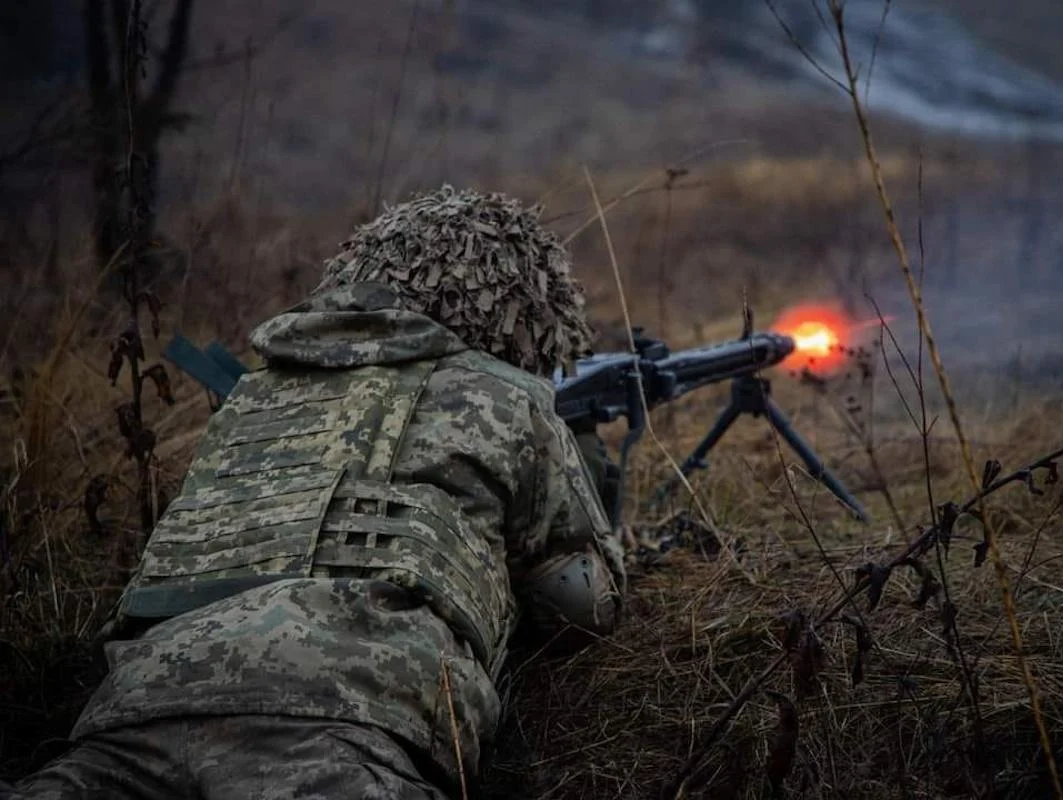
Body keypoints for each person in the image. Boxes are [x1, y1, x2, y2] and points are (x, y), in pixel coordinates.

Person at [10, 185, 628, 799]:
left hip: (136, 707)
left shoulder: (252, 396)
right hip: (345, 714)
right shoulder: (503, 396)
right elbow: (580, 606)